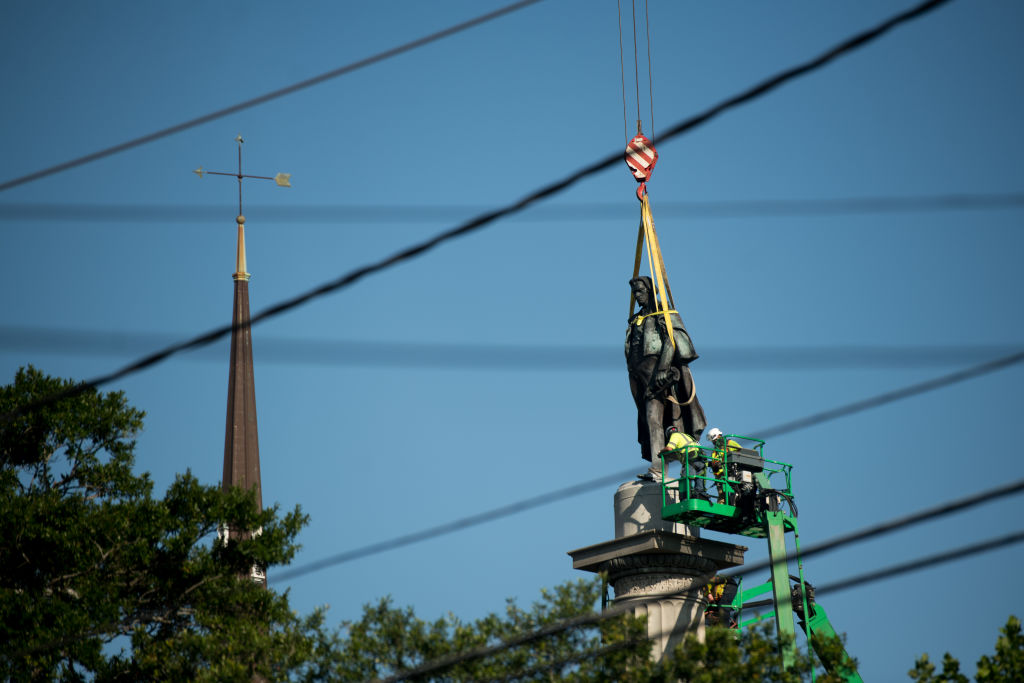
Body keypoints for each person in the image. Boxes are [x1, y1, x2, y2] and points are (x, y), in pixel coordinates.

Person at [625, 276, 706, 480]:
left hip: (656, 375)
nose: (637, 296)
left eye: (641, 291)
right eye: (635, 293)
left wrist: (662, 369)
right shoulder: (635, 319)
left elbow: (672, 339)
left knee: (654, 419)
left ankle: (658, 469)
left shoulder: (663, 310)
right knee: (648, 419)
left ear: (651, 291)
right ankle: (657, 468)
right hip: (638, 376)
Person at [707, 427, 741, 504]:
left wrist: (727, 462)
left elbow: (741, 453)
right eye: (712, 441)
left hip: (730, 473)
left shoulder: (729, 443)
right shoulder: (715, 450)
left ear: (719, 436)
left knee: (734, 491)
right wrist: (709, 464)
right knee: (722, 495)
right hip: (719, 476)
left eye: (714, 440)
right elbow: (714, 462)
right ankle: (723, 506)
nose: (713, 442)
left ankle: (735, 502)